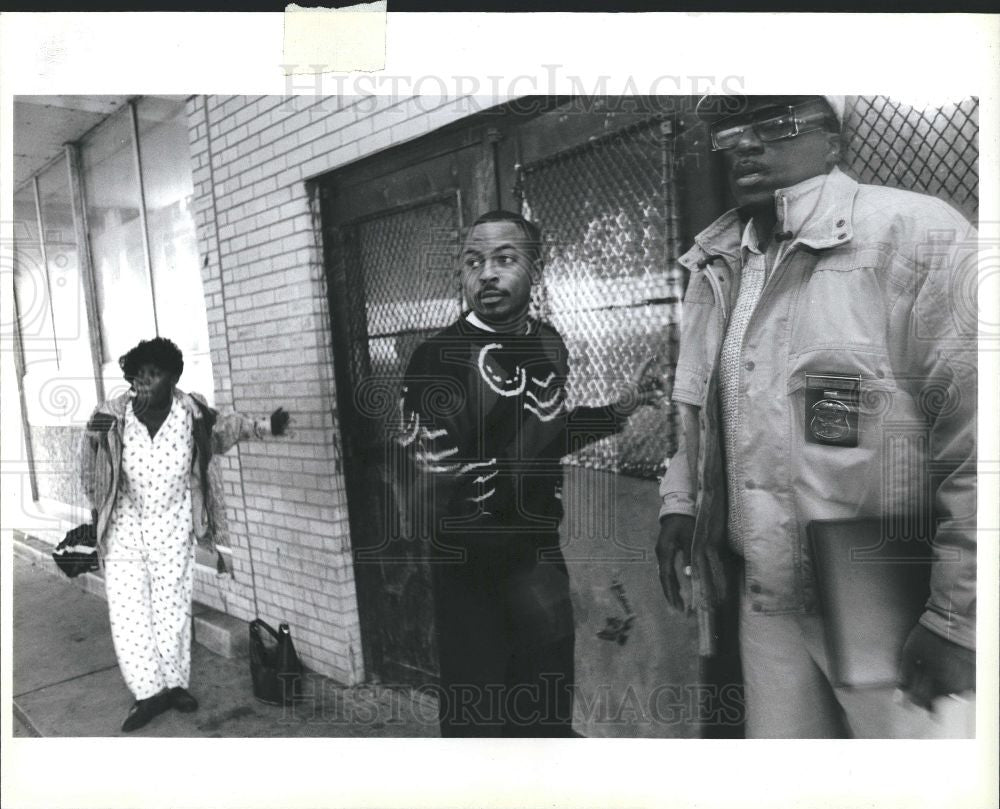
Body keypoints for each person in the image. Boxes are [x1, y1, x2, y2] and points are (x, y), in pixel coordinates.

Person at [655, 95, 977, 738]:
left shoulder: (912, 234)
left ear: (832, 141)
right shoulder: (719, 262)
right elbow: (704, 410)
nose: (747, 143)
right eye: (731, 129)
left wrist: (959, 619)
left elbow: (978, 437)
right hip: (765, 593)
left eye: (775, 123)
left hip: (886, 597)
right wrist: (680, 502)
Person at [395, 210, 662, 737]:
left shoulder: (548, 345)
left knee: (544, 714)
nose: (486, 274)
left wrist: (617, 410)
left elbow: (549, 436)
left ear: (535, 268)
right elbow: (426, 484)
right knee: (479, 725)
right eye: (473, 262)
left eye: (504, 259)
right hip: (471, 573)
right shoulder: (435, 359)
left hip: (540, 556)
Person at [80, 337, 291, 732]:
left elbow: (229, 428)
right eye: (137, 374)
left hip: (173, 527)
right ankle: (148, 693)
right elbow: (89, 467)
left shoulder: (191, 415)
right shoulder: (110, 417)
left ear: (173, 378)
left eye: (153, 374)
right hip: (124, 530)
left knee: (172, 610)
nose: (143, 382)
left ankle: (175, 685)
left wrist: (267, 427)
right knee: (128, 614)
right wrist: (96, 512)